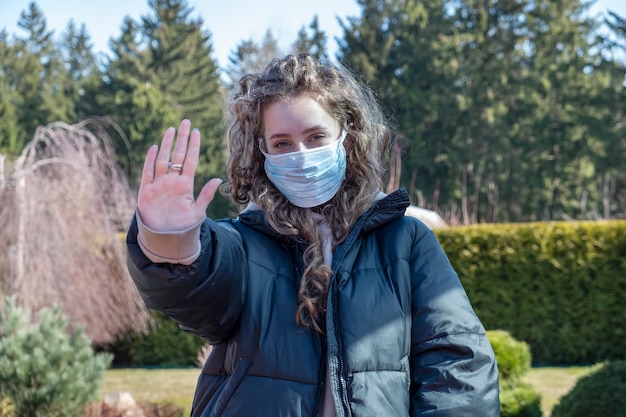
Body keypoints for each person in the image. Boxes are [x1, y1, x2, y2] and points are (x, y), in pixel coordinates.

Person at [126, 53, 500, 417]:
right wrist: (169, 237)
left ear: (347, 138)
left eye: (316, 136)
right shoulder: (244, 243)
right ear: (262, 153)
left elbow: (456, 360)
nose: (300, 155)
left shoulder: (406, 241)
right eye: (282, 143)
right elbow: (198, 295)